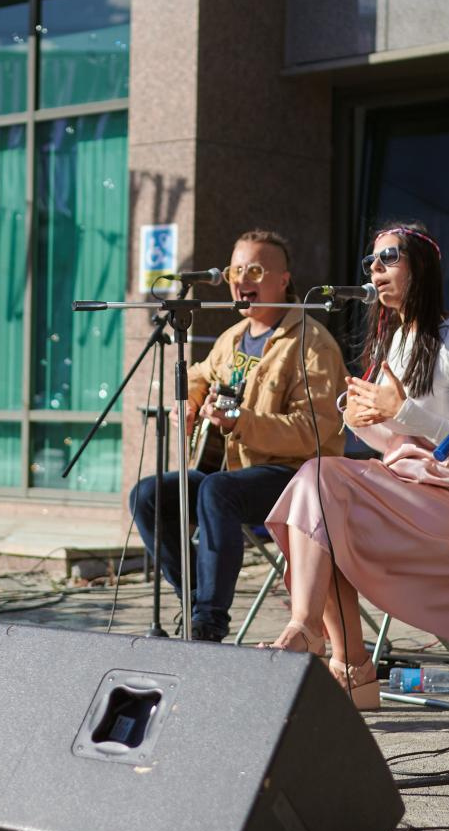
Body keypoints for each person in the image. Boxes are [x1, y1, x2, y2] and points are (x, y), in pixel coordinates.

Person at [263, 223, 449, 711]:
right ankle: (353, 669)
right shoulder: (397, 342)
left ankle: (307, 629)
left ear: (420, 266)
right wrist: (359, 419)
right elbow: (398, 441)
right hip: (406, 487)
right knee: (321, 512)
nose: (375, 270)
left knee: (321, 478)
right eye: (371, 262)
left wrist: (400, 411)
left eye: (388, 258)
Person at [127, 230, 349, 642]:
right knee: (148, 496)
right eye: (235, 269)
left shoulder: (312, 344)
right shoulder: (232, 338)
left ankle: (209, 624)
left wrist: (237, 420)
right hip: (233, 470)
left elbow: (312, 434)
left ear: (283, 280)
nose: (240, 279)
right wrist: (190, 403)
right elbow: (197, 375)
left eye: (255, 269)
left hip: (295, 478)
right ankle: (197, 600)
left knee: (217, 492)